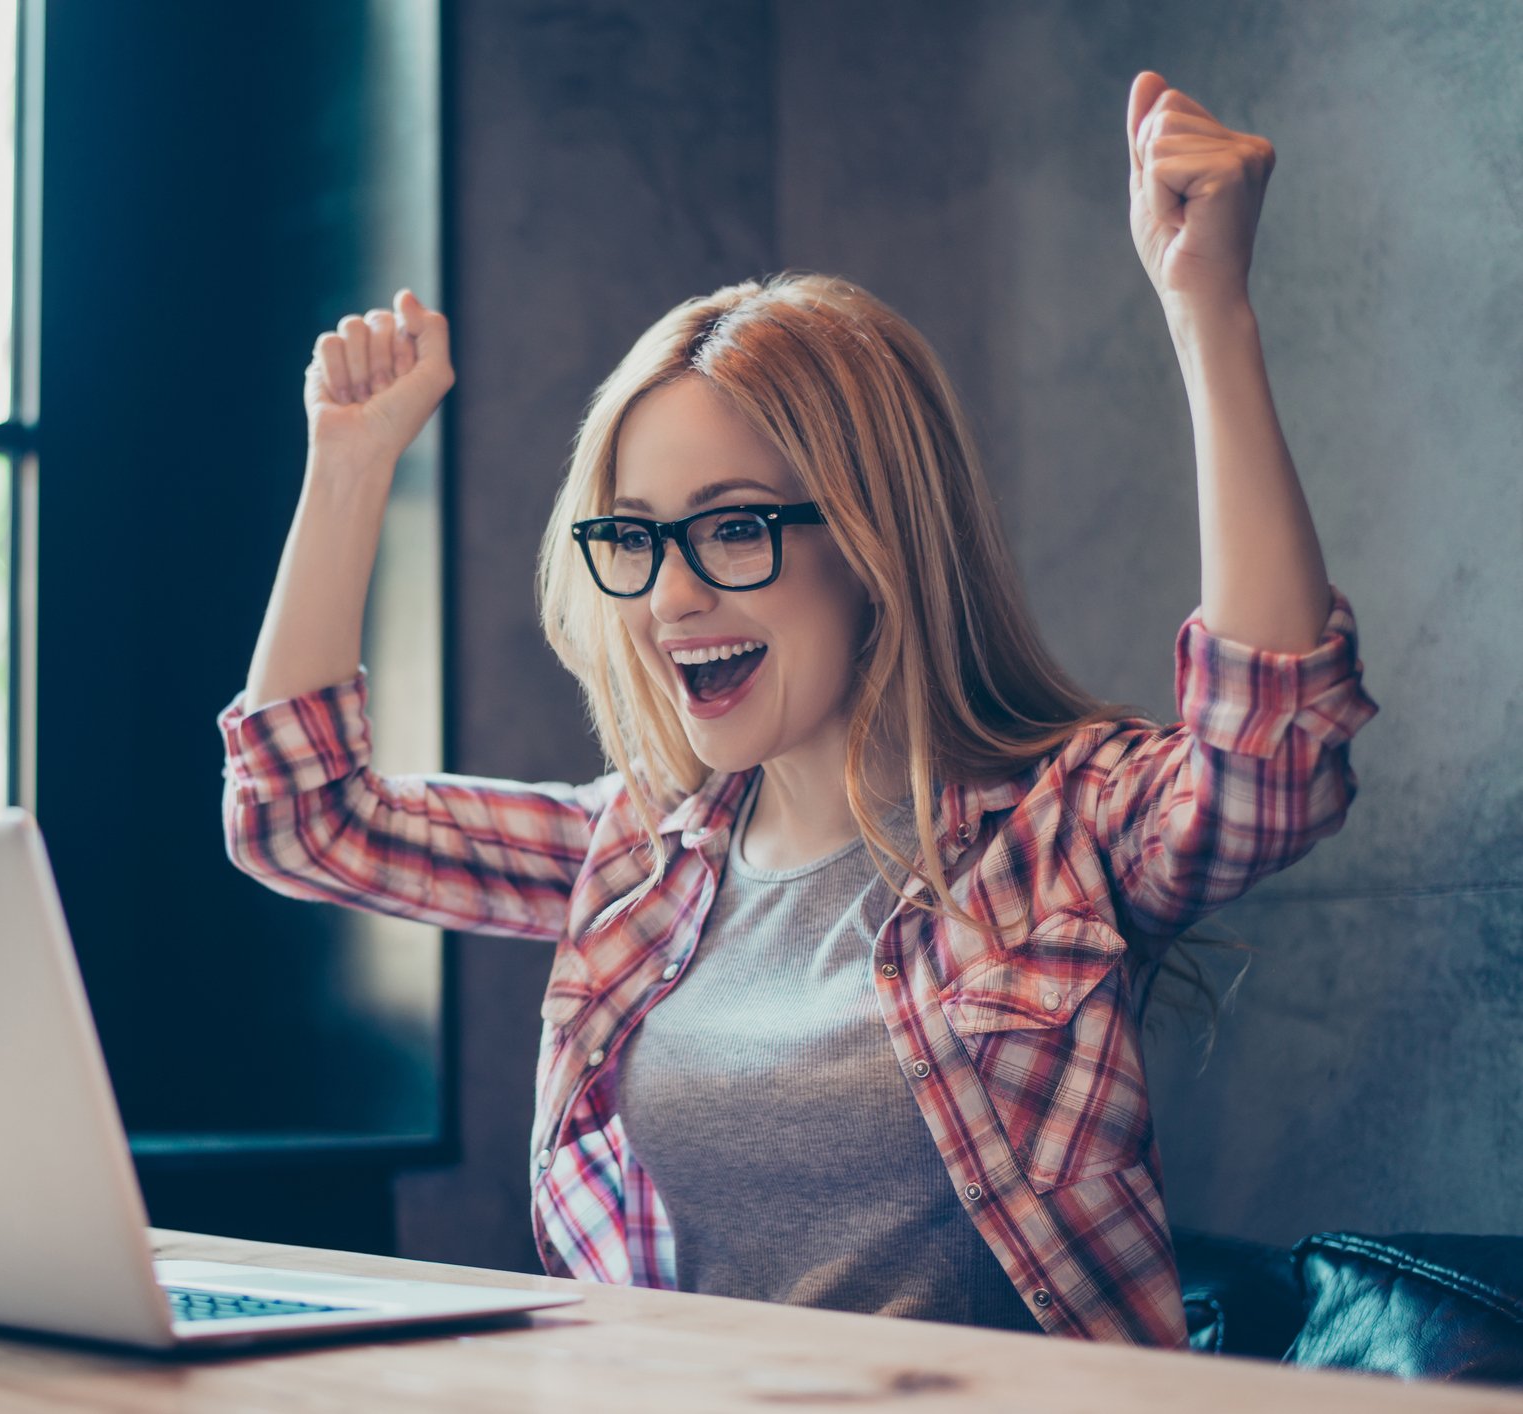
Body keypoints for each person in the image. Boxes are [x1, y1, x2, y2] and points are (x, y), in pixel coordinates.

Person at [216, 71, 1378, 1346]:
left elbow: (1270, 760)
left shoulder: (1060, 828)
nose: (668, 596)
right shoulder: (632, 861)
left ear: (874, 537)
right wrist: (349, 463)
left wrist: (1206, 304)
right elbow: (301, 822)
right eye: (635, 538)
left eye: (730, 528)